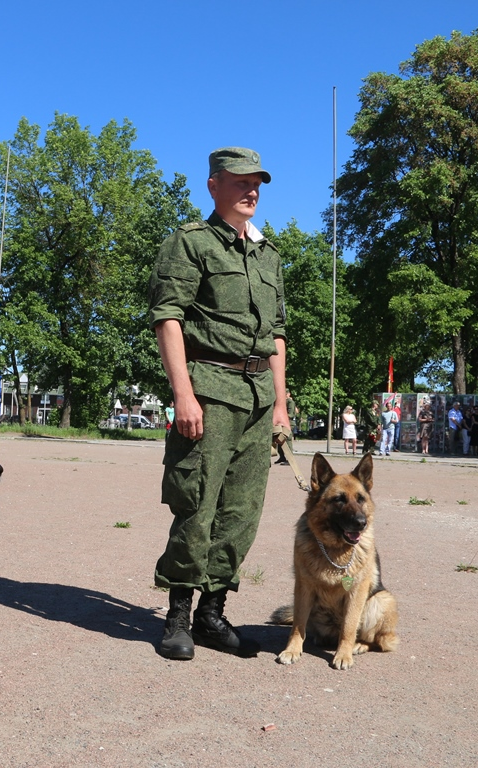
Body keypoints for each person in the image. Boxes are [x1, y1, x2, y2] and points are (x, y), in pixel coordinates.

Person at [148, 147, 288, 661]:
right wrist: (183, 393)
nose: (252, 191)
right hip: (209, 389)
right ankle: (178, 615)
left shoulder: (269, 254)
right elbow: (168, 318)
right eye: (240, 182)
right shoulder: (191, 244)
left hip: (258, 398)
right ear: (213, 185)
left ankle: (212, 612)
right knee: (197, 503)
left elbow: (275, 334)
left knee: (242, 511)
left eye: (257, 183)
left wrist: (281, 404)